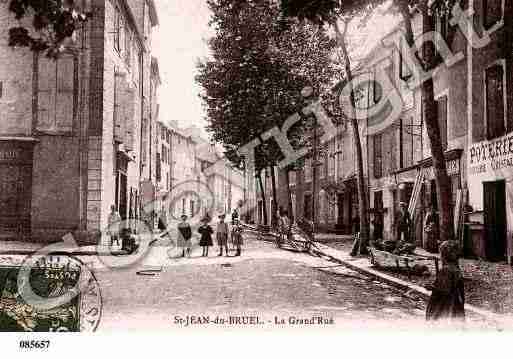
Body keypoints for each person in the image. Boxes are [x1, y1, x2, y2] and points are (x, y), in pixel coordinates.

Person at [426, 241, 465, 323]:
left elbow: (444, 290)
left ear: (444, 256)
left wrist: (431, 287)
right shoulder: (456, 269)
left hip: (443, 305)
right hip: (455, 304)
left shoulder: (445, 270)